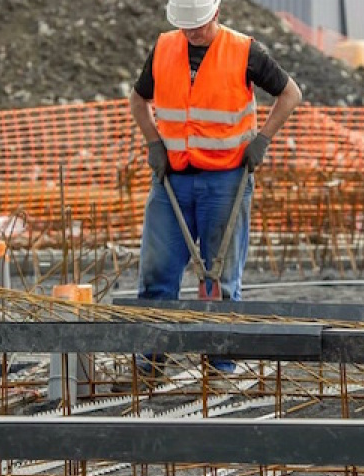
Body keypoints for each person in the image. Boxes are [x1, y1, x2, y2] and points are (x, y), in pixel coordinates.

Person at [129, 0, 302, 376]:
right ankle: (151, 359)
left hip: (226, 178)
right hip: (173, 180)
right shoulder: (164, 48)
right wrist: (153, 143)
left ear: (216, 15)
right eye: (187, 27)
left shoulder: (245, 51)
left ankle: (220, 362)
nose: (193, 33)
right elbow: (138, 99)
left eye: (200, 26)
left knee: (220, 278)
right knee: (157, 270)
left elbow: (291, 94)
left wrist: (264, 139)